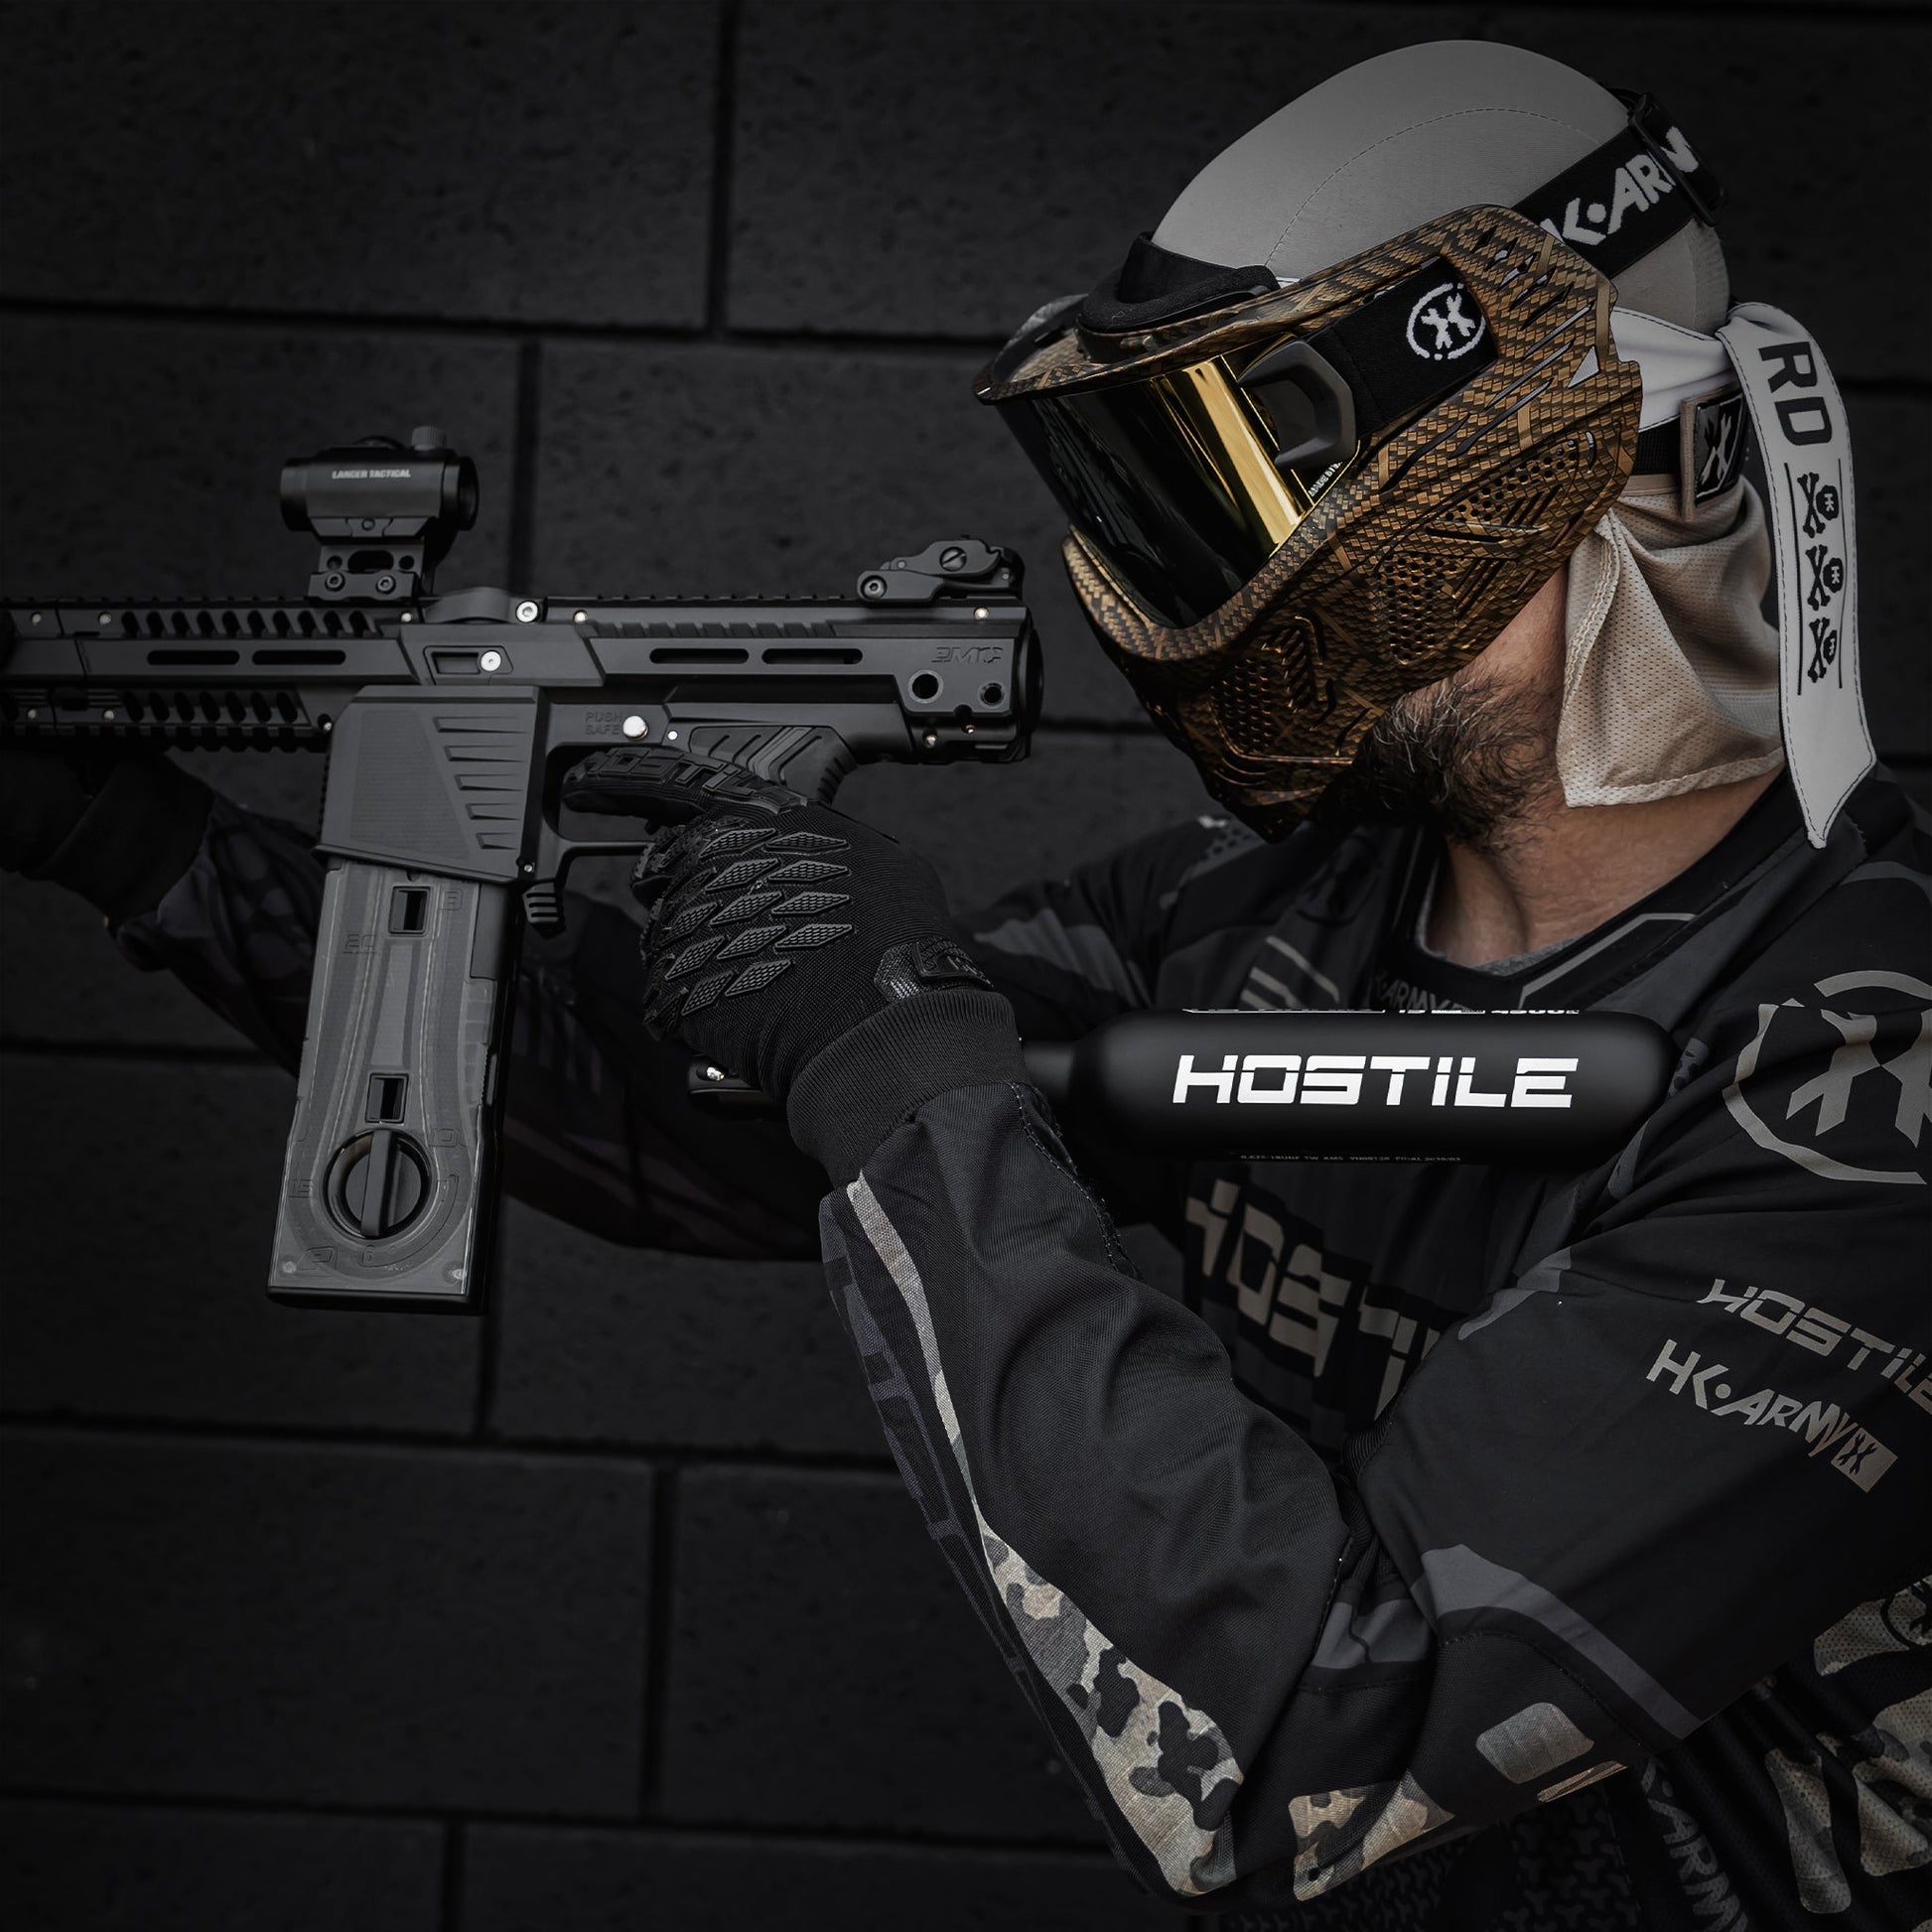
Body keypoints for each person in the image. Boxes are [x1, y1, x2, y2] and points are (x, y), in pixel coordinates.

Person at [5, 40, 1927, 1932]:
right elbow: (727, 1127)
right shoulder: (1260, 916)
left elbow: (1320, 1735)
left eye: (1292, 475)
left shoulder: (1861, 1077)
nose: (1245, 567)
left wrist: (890, 1047)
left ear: (1623, 462)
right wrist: (145, 846)